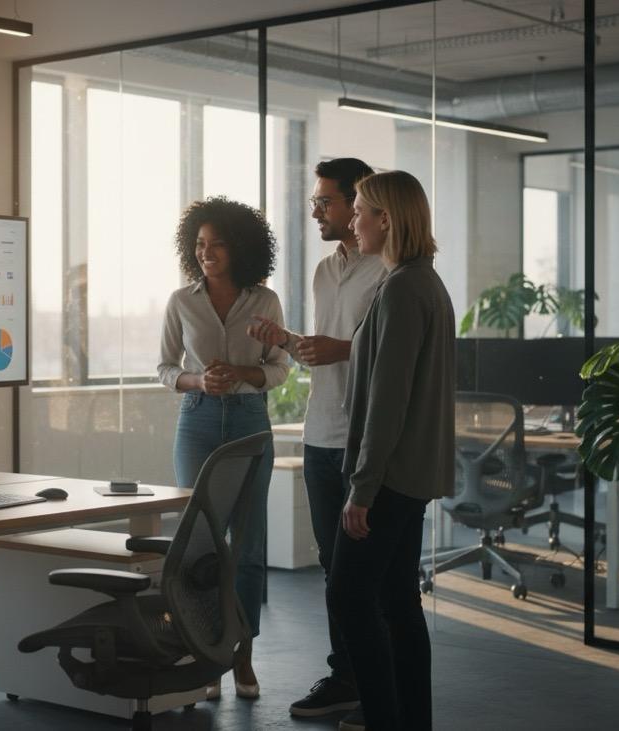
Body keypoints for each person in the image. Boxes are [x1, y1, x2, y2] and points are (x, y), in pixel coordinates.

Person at [246, 158, 386, 719]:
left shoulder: (389, 269)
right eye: (315, 201)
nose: (315, 212)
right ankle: (347, 676)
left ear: (357, 205)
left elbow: (392, 352)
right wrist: (288, 340)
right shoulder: (326, 270)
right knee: (334, 567)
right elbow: (324, 352)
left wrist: (342, 349)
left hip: (365, 438)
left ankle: (377, 683)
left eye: (325, 201)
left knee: (365, 571)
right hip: (320, 433)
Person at [328, 171, 455, 731]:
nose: (352, 222)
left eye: (359, 211)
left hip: (389, 477)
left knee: (349, 596)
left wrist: (362, 487)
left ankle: (384, 719)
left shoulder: (403, 288)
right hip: (409, 474)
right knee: (398, 600)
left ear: (386, 218)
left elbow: (388, 400)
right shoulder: (421, 282)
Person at [158, 196, 289, 700]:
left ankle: (242, 654)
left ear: (241, 248)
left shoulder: (265, 301)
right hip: (197, 421)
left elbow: (280, 368)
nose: (206, 252)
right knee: (200, 545)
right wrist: (197, 381)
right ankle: (206, 654)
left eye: (217, 244)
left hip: (251, 421)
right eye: (199, 244)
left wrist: (242, 373)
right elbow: (165, 367)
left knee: (249, 546)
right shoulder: (181, 301)